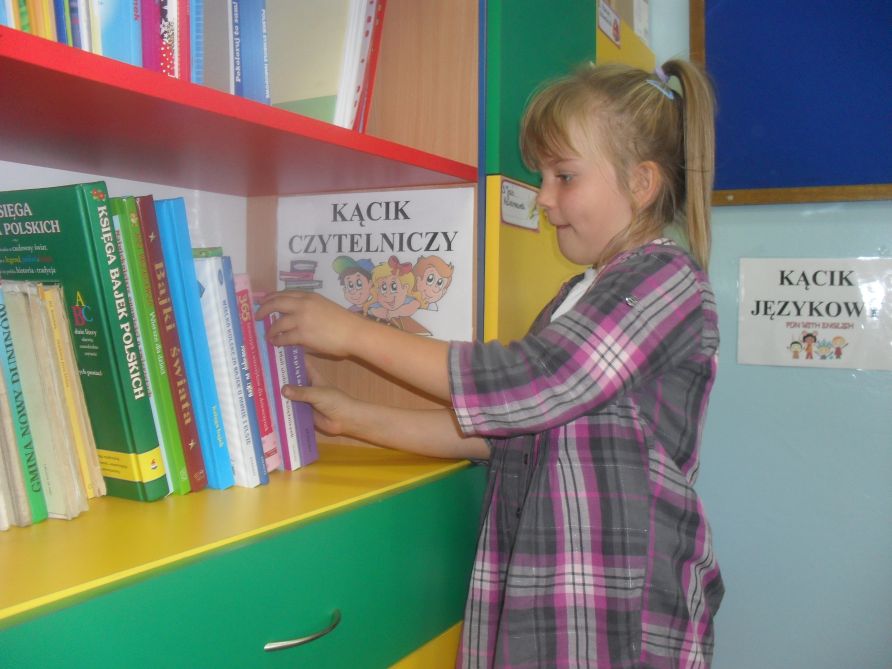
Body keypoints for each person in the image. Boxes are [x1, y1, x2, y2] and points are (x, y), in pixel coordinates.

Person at [256, 59, 724, 668]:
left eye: (564, 176)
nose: (545, 198)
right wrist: (357, 418)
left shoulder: (665, 280)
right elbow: (512, 433)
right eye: (543, 177)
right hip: (553, 595)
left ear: (641, 183)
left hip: (621, 607)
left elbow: (533, 383)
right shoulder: (583, 293)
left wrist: (352, 334)